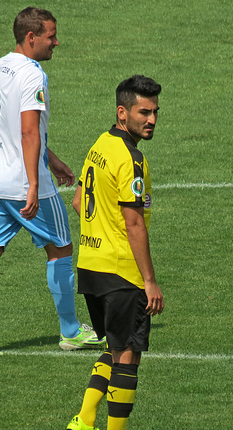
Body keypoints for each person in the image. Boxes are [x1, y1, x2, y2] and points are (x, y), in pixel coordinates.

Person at [0, 7, 102, 357]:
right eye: (51, 36)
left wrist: (52, 161)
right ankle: (70, 331)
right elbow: (26, 130)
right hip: (23, 181)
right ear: (31, 38)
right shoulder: (32, 74)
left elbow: (9, 127)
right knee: (61, 249)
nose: (57, 42)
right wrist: (34, 184)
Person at [66, 75, 165, 430]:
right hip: (122, 271)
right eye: (144, 112)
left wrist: (102, 232)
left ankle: (84, 418)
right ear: (123, 112)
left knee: (113, 346)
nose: (151, 119)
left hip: (91, 266)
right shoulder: (131, 158)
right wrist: (149, 281)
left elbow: (79, 201)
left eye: (155, 112)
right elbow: (134, 224)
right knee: (128, 356)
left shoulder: (100, 145)